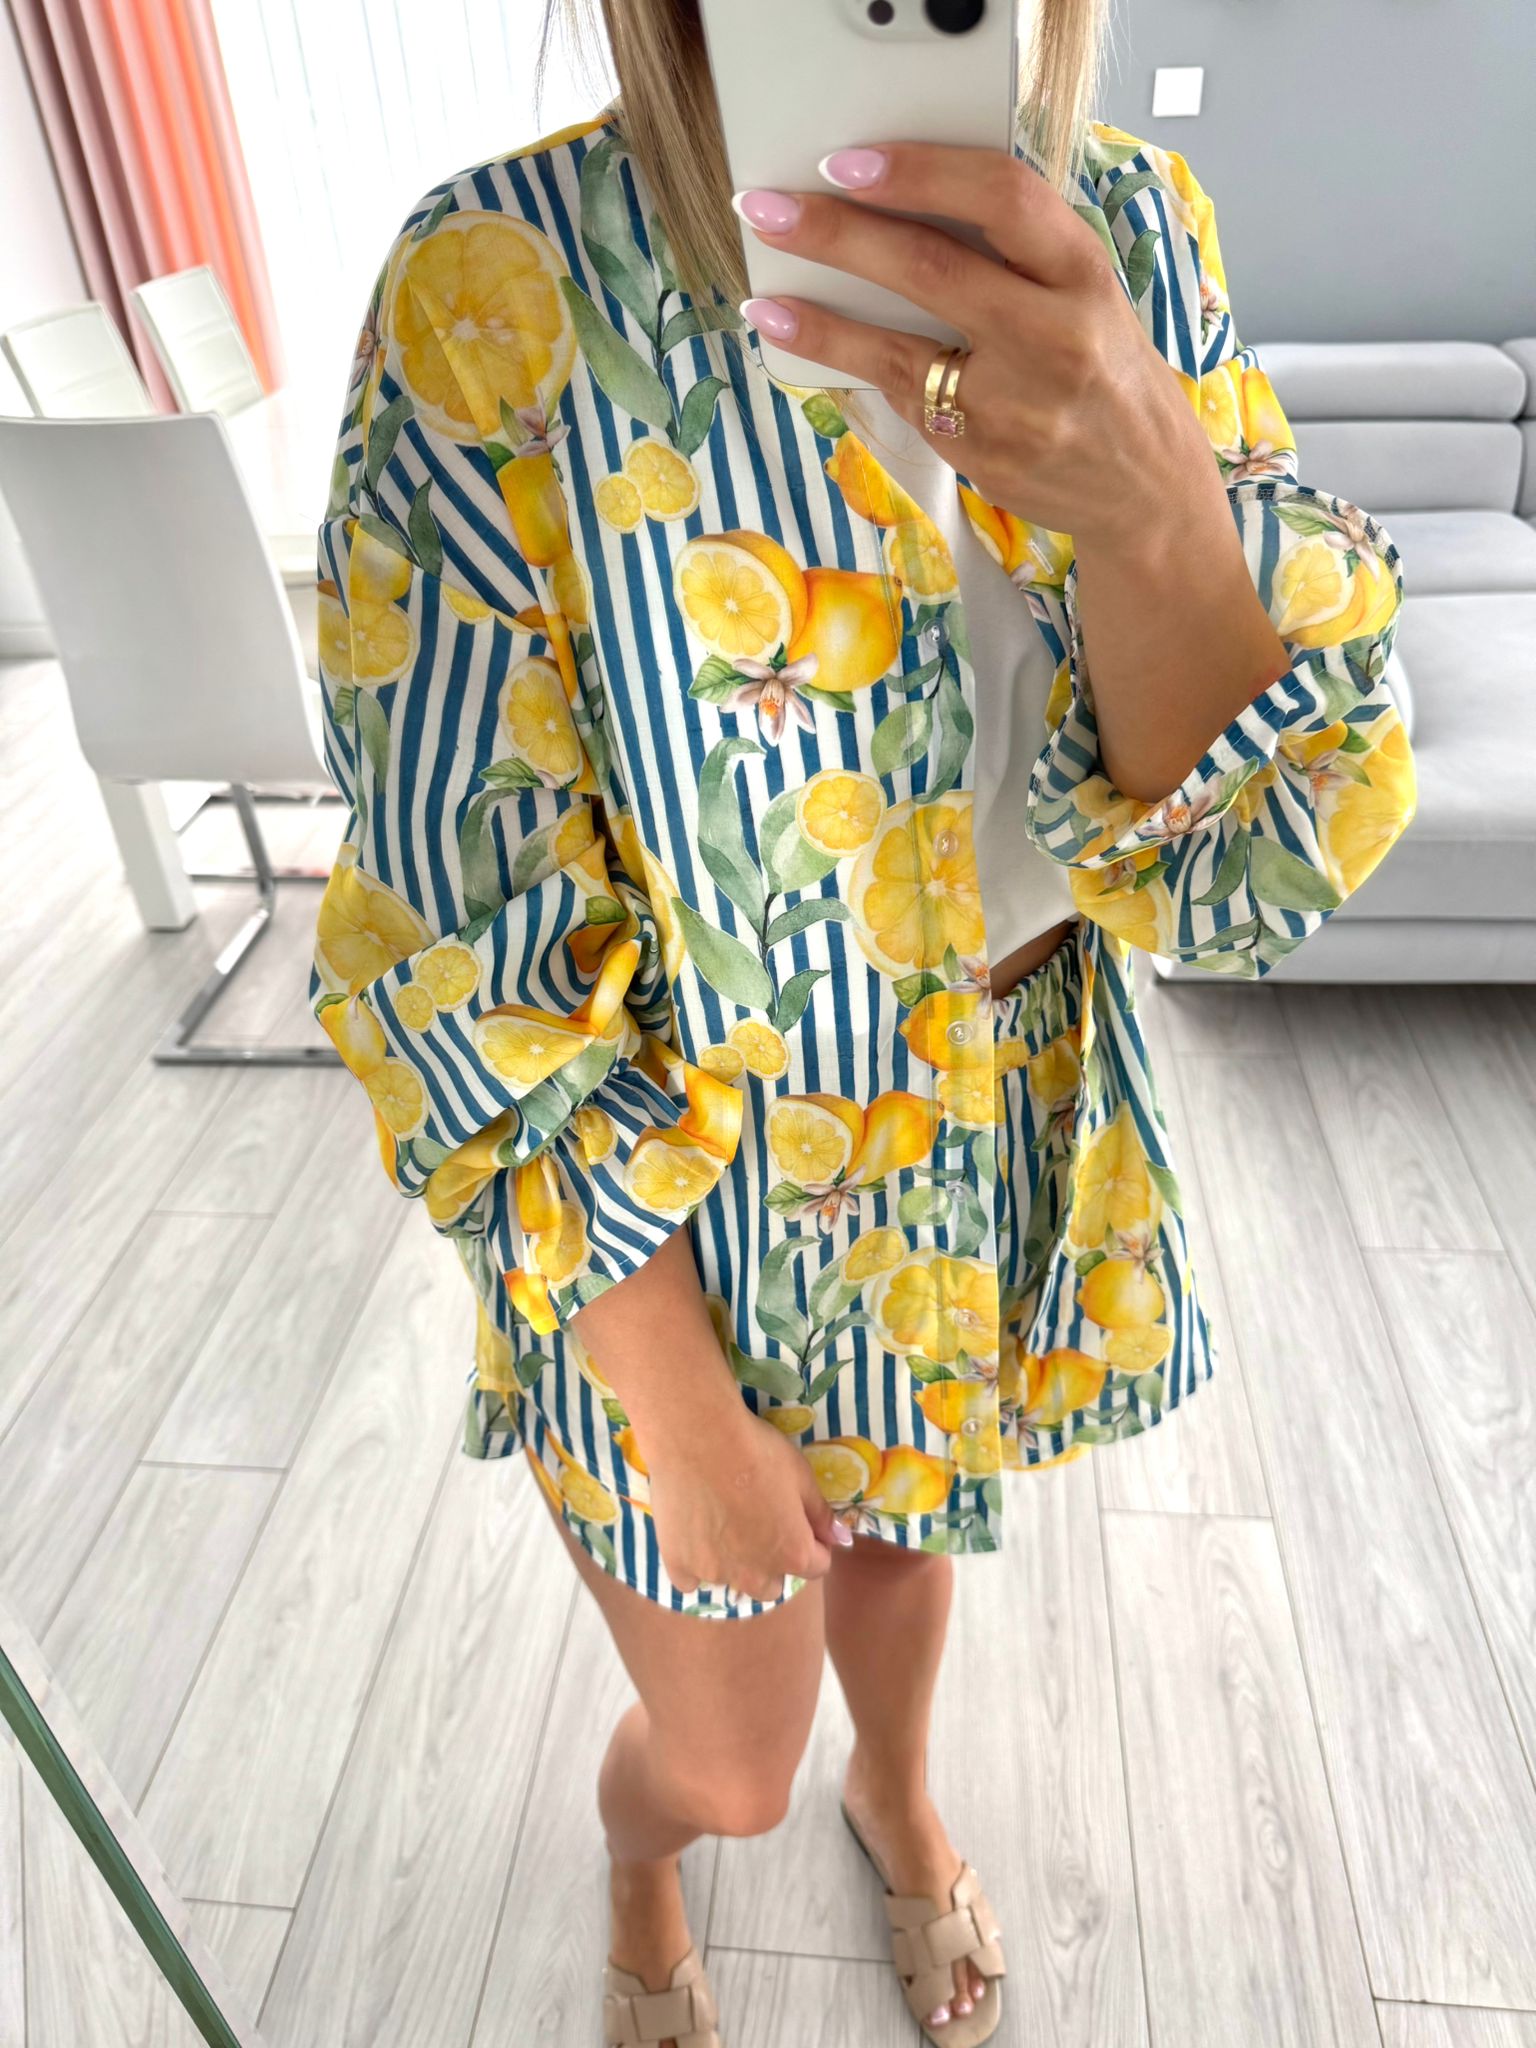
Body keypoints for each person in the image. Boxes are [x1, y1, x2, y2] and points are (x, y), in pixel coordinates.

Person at [308, 1, 1415, 2040]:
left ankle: (900, 1803)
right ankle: (648, 1858)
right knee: (725, 1754)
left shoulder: (1130, 238)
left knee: (906, 1558)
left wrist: (1154, 501)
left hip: (1001, 1099)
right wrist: (672, 1400)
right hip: (679, 1168)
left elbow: (1240, 880)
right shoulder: (498, 287)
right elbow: (447, 925)